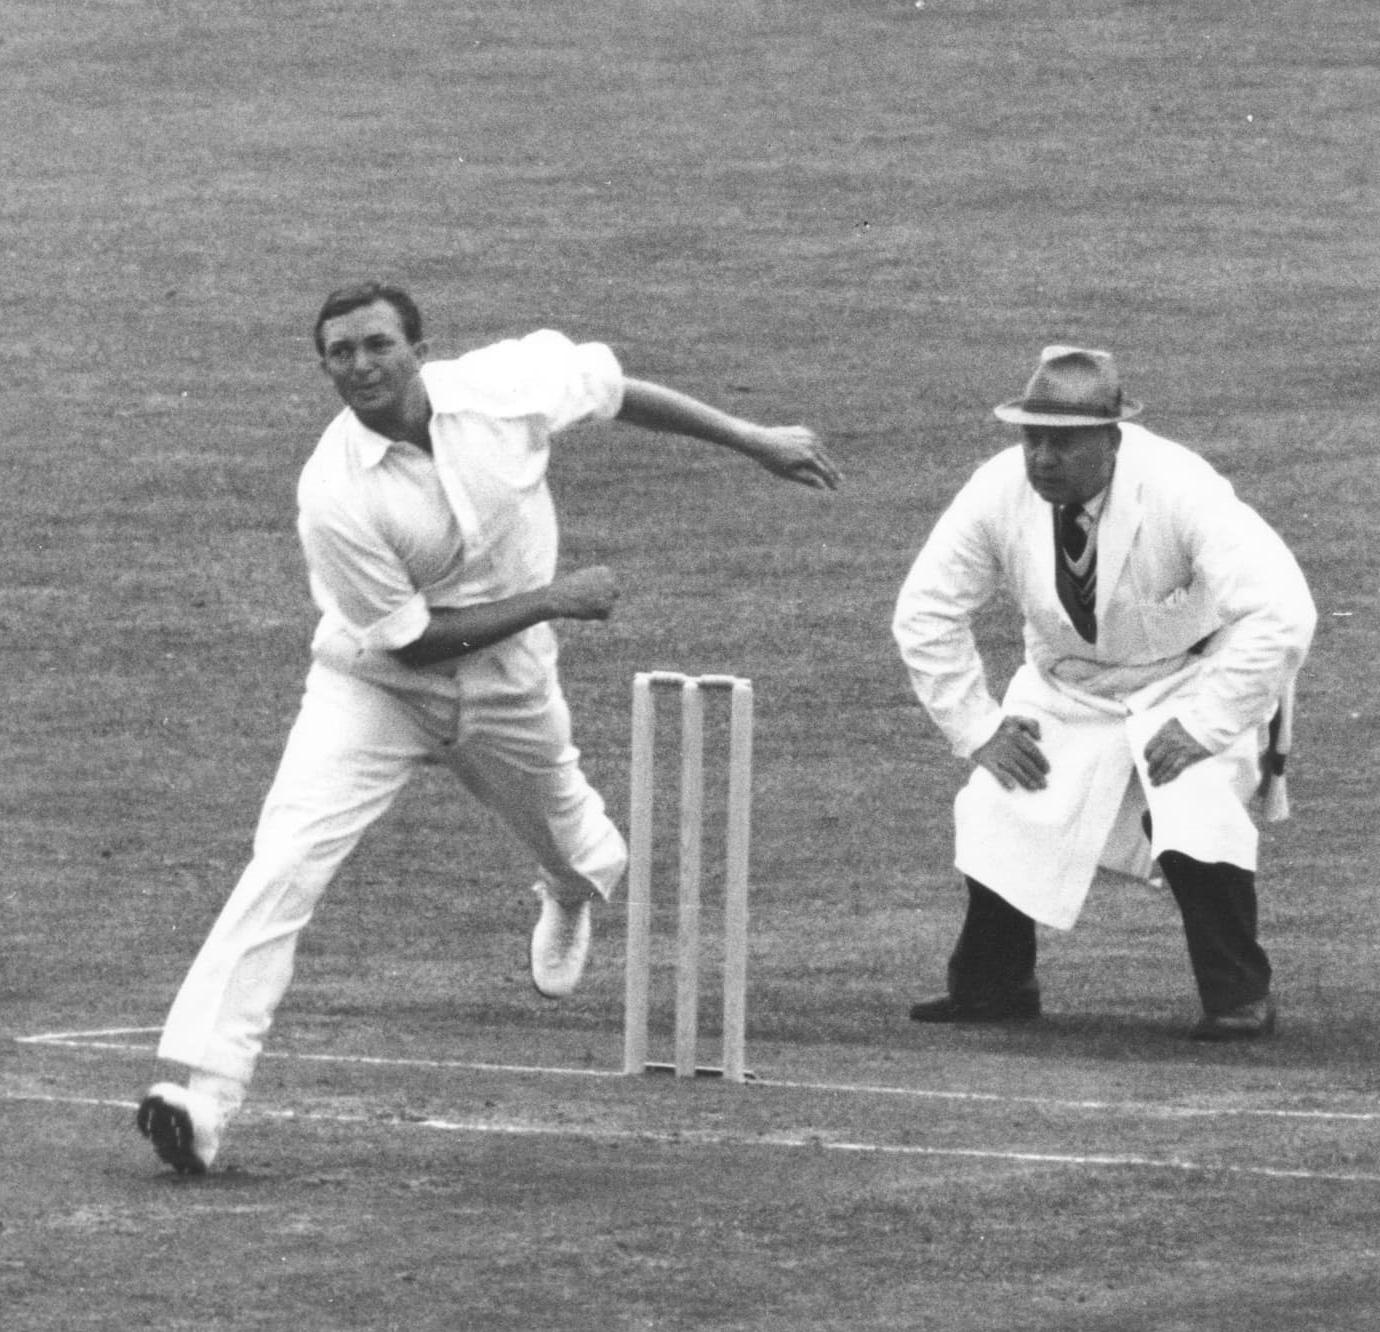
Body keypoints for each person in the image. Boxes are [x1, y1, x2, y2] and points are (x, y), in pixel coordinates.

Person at [136, 281, 843, 1172]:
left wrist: (754, 440)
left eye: (376, 345)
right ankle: (198, 1096)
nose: (359, 366)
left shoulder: (508, 386)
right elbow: (417, 644)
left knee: (579, 848)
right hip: (378, 687)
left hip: (512, 686)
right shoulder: (331, 493)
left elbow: (618, 390)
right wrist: (556, 598)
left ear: (420, 350)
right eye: (340, 353)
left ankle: (570, 887)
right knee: (284, 862)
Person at [892, 344, 1313, 1041]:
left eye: (1062, 442)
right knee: (1002, 797)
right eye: (1032, 438)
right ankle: (994, 986)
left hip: (1191, 678)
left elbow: (1283, 611)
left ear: (1111, 440)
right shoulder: (997, 490)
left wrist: (1206, 725)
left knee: (1193, 804)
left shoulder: (1181, 486)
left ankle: (1241, 995)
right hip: (1068, 688)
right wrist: (978, 728)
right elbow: (925, 611)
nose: (1042, 459)